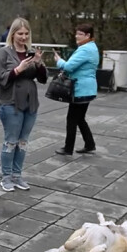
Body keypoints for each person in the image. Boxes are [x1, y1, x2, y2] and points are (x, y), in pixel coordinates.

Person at [0, 18, 47, 192]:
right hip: (11, 102)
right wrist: (18, 70)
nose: (23, 37)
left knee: (23, 142)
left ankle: (17, 176)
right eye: (20, 34)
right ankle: (6, 176)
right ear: (13, 34)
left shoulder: (31, 52)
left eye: (26, 34)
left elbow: (43, 79)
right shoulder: (3, 53)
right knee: (11, 141)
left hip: (30, 103)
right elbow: (0, 79)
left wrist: (38, 63)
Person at [54, 23, 100, 156]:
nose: (76, 36)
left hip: (81, 89)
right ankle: (90, 144)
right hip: (88, 89)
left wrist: (58, 60)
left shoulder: (85, 49)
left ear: (88, 35)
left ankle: (68, 148)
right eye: (77, 33)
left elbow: (68, 67)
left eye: (80, 34)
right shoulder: (92, 47)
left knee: (72, 119)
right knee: (80, 118)